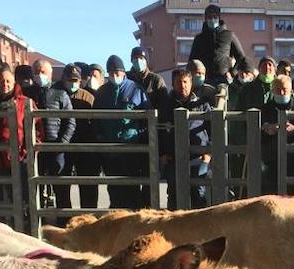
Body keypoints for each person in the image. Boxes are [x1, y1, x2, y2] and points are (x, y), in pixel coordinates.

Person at [93, 54, 151, 209]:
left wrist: (139, 137)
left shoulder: (136, 90)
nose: (114, 76)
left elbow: (148, 118)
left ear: (123, 72)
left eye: (117, 73)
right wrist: (100, 138)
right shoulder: (101, 93)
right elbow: (95, 119)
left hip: (131, 150)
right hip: (110, 150)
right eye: (111, 73)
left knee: (132, 189)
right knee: (113, 189)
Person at [0, 65, 36, 218]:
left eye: (8, 81)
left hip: (18, 160)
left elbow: (37, 130)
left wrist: (25, 153)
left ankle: (25, 231)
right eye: (1, 81)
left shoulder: (26, 103)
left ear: (14, 81)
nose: (5, 84)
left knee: (22, 198)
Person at [24, 59, 75, 222]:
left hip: (56, 149)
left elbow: (70, 121)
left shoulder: (61, 94)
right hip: (33, 150)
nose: (40, 75)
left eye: (43, 72)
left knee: (61, 189)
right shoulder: (26, 95)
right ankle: (36, 224)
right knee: (33, 189)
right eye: (37, 71)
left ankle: (65, 224)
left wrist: (62, 143)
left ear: (50, 74)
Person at [157, 69, 212, 209]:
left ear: (191, 83)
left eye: (185, 82)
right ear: (173, 84)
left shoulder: (202, 105)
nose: (182, 85)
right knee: (174, 195)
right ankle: (173, 230)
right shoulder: (165, 107)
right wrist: (161, 154)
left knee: (199, 194)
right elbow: (159, 132)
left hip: (198, 158)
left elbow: (213, 130)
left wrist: (209, 153)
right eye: (178, 82)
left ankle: (200, 229)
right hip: (173, 158)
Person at [57, 64, 97, 213]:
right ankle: (64, 219)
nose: (73, 83)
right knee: (62, 185)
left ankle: (89, 219)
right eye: (70, 80)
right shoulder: (55, 94)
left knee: (88, 186)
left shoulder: (88, 97)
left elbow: (95, 122)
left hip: (85, 145)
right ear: (63, 79)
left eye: (76, 80)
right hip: (63, 146)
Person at [189, 4, 245, 86]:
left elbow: (241, 58)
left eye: (215, 17)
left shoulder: (229, 35)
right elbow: (192, 61)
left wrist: (232, 73)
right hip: (205, 81)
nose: (212, 19)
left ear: (219, 18)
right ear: (206, 19)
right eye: (209, 17)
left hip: (225, 80)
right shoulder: (199, 38)